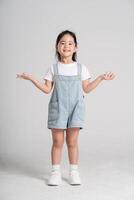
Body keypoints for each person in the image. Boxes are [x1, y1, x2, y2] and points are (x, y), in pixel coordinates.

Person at [16, 30, 115, 186]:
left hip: (76, 108)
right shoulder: (53, 68)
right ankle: (55, 172)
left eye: (70, 43)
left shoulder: (81, 68)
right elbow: (47, 89)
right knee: (57, 142)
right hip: (58, 107)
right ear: (57, 47)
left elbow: (87, 88)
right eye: (62, 43)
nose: (66, 46)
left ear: (75, 48)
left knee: (72, 142)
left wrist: (101, 78)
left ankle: (74, 172)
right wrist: (31, 78)